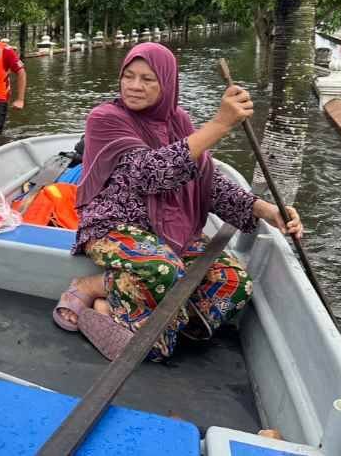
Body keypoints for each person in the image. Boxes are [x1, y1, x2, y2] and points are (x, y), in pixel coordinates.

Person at [52, 42, 303, 362]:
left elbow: (205, 182)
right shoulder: (105, 118)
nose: (134, 86)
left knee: (233, 283)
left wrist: (267, 210)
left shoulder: (178, 121)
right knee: (163, 278)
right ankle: (96, 296)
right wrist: (219, 125)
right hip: (113, 225)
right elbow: (150, 173)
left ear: (167, 84)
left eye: (147, 79)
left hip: (171, 230)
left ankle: (120, 306)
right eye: (128, 76)